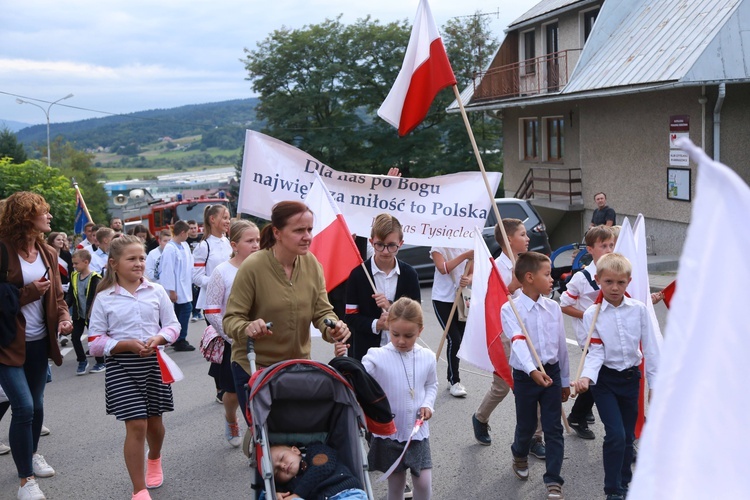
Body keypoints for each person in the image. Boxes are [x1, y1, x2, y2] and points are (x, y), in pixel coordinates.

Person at [223, 201, 351, 423]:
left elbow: (322, 312)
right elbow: (231, 320)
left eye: (309, 229)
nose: (307, 236)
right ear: (277, 232)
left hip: (297, 368)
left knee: (300, 436)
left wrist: (334, 327)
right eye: (299, 230)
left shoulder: (312, 264)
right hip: (255, 367)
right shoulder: (253, 266)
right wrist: (247, 327)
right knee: (269, 441)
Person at [87, 235, 181, 500]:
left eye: (141, 258)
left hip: (154, 363)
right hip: (122, 367)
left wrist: (160, 338)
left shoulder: (157, 291)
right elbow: (94, 341)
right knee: (136, 425)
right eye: (132, 259)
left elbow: (173, 326)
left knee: (155, 424)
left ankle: (154, 457)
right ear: (114, 263)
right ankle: (139, 489)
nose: (139, 263)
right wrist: (124, 344)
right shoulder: (104, 297)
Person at [0, 192, 73, 500]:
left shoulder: (47, 252)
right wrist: (28, 293)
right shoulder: (2, 250)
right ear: (25, 217)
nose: (50, 217)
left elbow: (56, 297)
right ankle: (25, 481)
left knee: (38, 405)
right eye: (44, 212)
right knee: (24, 406)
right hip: (6, 343)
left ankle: (31, 453)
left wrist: (64, 317)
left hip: (40, 342)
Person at [572, 253, 660, 500]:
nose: (614, 287)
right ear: (599, 280)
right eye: (608, 281)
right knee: (615, 435)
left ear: (628, 282)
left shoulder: (640, 310)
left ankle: (624, 481)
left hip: (631, 380)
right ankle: (612, 489)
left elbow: (651, 349)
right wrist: (586, 378)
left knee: (628, 436)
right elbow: (595, 352)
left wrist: (654, 384)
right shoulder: (593, 314)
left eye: (620, 282)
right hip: (605, 382)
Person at [473, 219, 547, 460]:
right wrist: (513, 284)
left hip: (528, 331)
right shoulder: (496, 266)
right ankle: (480, 417)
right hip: (506, 333)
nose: (527, 238)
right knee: (503, 384)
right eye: (522, 234)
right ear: (507, 239)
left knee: (532, 382)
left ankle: (536, 437)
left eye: (526, 235)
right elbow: (494, 299)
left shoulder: (529, 262)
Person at [502, 252, 569, 500]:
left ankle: (553, 480)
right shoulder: (510, 309)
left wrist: (564, 379)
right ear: (529, 277)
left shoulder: (553, 308)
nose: (552, 279)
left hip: (550, 373)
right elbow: (518, 342)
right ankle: (519, 453)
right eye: (547, 274)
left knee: (553, 428)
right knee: (527, 426)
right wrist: (532, 370)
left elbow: (561, 346)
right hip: (525, 376)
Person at [362, 297, 437, 500]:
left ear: (420, 331)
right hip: (390, 434)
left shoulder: (428, 357)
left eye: (408, 335)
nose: (401, 341)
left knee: (423, 482)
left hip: (417, 432)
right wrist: (344, 358)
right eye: (395, 334)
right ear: (388, 327)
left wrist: (427, 405)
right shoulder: (376, 357)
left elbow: (431, 385)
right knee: (396, 484)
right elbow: (357, 377)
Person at [204, 220, 260, 447]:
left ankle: (260, 439)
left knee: (261, 389)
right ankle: (231, 418)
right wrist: (231, 335)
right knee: (234, 393)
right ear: (235, 245)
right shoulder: (222, 271)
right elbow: (212, 310)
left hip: (262, 339)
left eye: (258, 240)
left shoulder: (266, 266)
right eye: (250, 241)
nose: (256, 245)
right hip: (233, 341)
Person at [560, 225, 615, 440]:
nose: (609, 249)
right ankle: (577, 415)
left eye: (611, 245)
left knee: (599, 376)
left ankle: (583, 411)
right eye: (603, 246)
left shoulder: (614, 272)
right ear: (590, 249)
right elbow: (564, 305)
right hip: (590, 336)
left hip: (609, 335)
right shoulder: (582, 278)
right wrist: (587, 315)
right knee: (596, 378)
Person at [345, 214, 420, 362]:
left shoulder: (409, 274)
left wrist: (391, 307)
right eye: (380, 245)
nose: (385, 251)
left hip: (401, 352)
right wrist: (377, 324)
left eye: (391, 245)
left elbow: (416, 316)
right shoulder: (358, 274)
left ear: (401, 243)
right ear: (371, 242)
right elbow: (350, 316)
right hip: (366, 354)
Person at [429, 246, 472, 398]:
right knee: (454, 339)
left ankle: (451, 378)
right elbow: (443, 268)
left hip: (460, 297)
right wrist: (466, 254)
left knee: (459, 339)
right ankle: (455, 381)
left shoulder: (467, 243)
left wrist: (469, 279)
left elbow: (472, 270)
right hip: (441, 298)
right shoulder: (438, 246)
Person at [269, 442, 367, 500]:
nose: (282, 466)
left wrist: (297, 494)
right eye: (277, 472)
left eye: (282, 458)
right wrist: (274, 496)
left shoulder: (315, 451)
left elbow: (323, 467)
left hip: (345, 493)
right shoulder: (286, 488)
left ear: (295, 450)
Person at [65, 249, 105, 375]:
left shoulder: (95, 278)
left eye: (76, 263)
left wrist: (93, 313)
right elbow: (71, 294)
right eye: (73, 264)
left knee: (94, 339)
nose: (74, 266)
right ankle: (82, 361)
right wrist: (65, 306)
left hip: (91, 315)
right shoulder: (74, 276)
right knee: (75, 337)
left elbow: (96, 298)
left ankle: (100, 361)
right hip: (78, 314)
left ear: (86, 262)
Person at [192, 206, 231, 326]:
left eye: (228, 218)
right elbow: (197, 277)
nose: (228, 221)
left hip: (231, 301)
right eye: (224, 218)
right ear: (212, 219)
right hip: (212, 304)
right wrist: (218, 282)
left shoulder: (229, 242)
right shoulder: (203, 246)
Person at [159, 221, 195, 352]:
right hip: (176, 286)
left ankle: (175, 337)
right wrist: (171, 290)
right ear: (182, 233)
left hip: (185, 285)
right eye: (187, 233)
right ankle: (180, 339)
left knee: (180, 311)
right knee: (186, 309)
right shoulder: (170, 248)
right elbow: (167, 270)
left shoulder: (184, 245)